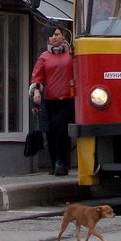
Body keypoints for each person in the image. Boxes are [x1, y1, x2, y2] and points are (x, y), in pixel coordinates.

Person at [30, 27, 74, 176]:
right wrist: (36, 92)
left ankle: (62, 163)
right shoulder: (44, 57)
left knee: (63, 131)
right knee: (51, 132)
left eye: (57, 34)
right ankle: (55, 162)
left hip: (68, 100)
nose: (54, 38)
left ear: (64, 36)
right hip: (50, 101)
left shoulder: (72, 54)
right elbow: (37, 77)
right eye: (51, 36)